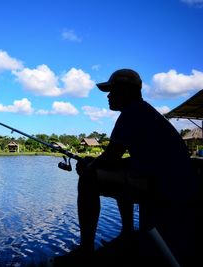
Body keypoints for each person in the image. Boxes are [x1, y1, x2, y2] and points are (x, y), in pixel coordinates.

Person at [74, 69, 198, 266]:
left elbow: (110, 157)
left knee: (88, 178)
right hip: (175, 184)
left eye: (112, 90)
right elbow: (123, 160)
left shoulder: (132, 113)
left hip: (166, 188)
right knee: (118, 171)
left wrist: (89, 166)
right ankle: (127, 233)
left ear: (125, 90)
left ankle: (86, 250)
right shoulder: (144, 112)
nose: (108, 95)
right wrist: (94, 161)